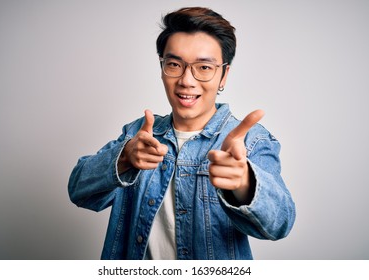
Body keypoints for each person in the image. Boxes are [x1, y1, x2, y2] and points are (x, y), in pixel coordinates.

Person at [68, 7, 295, 260]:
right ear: (162, 67)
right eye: (174, 64)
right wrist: (123, 159)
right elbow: (79, 191)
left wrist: (244, 183)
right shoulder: (137, 134)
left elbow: (280, 224)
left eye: (204, 67)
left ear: (224, 75)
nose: (187, 80)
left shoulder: (252, 141)